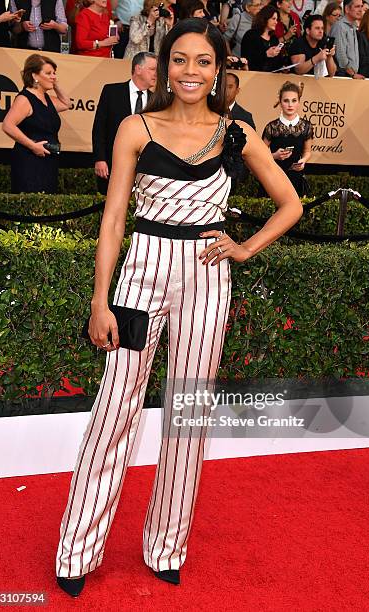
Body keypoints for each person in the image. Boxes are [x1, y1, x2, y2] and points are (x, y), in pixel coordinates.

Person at [55, 17, 302, 598]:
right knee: (115, 407)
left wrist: (244, 247)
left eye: (204, 62)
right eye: (181, 60)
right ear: (166, 65)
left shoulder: (236, 134)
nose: (191, 72)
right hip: (141, 270)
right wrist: (100, 298)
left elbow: (290, 203)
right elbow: (113, 217)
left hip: (207, 275)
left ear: (219, 71)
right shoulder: (134, 128)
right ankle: (76, 549)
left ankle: (167, 545)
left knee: (188, 414)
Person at [1, 54, 70, 194]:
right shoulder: (24, 99)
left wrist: (54, 83)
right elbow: (7, 125)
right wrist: (32, 146)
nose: (53, 76)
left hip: (49, 161)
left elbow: (67, 103)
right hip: (29, 161)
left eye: (54, 73)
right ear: (35, 76)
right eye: (48, 73)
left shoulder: (47, 98)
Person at [93, 51, 157, 195]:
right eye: (152, 69)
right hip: (112, 165)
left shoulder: (156, 100)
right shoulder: (112, 92)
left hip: (145, 170)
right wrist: (100, 159)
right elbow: (99, 128)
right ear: (138, 69)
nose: (156, 74)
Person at [262, 81, 312, 198]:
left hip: (296, 179)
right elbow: (261, 154)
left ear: (299, 102)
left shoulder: (306, 127)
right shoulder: (271, 127)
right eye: (286, 101)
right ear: (280, 103)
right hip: (273, 177)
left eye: (294, 100)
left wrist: (303, 161)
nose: (290, 105)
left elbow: (307, 152)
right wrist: (274, 156)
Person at [241, 4, 285, 71]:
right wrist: (266, 54)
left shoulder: (274, 38)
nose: (276, 22)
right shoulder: (250, 35)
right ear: (265, 18)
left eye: (277, 19)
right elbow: (246, 59)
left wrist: (283, 67)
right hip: (253, 76)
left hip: (272, 77)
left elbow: (277, 62)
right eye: (273, 19)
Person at [330, 0, 365, 77]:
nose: (360, 10)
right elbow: (340, 54)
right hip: (342, 75)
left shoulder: (353, 26)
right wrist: (352, 74)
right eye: (357, 6)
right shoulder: (340, 26)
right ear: (347, 9)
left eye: (361, 6)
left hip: (350, 75)